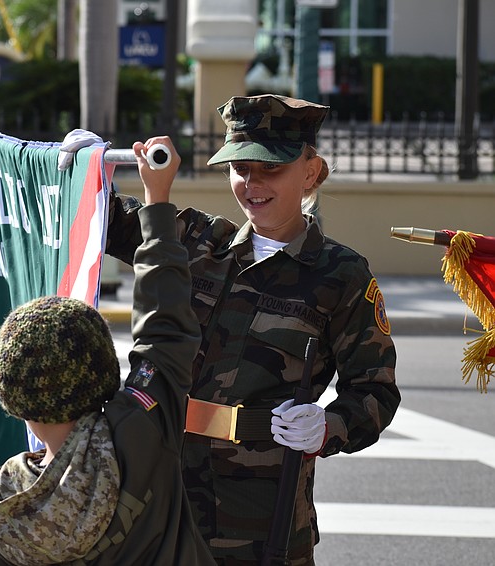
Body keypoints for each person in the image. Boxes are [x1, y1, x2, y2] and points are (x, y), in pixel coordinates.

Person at [59, 94, 401, 565]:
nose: (252, 184)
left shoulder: (340, 274)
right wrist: (86, 170)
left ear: (310, 172)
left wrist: (329, 426)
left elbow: (375, 390)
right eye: (241, 169)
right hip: (161, 495)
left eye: (271, 169)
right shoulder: (198, 240)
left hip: (261, 516)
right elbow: (106, 221)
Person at [0, 137, 217, 565]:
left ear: (11, 398)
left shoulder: (0, 503)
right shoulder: (139, 431)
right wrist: (157, 201)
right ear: (101, 372)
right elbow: (165, 331)